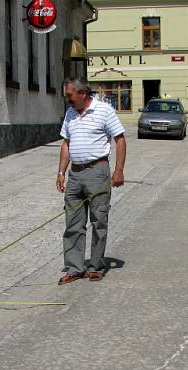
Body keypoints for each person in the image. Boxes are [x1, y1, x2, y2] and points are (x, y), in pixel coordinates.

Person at [56, 77, 127, 285]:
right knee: (73, 224)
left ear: (83, 94)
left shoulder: (104, 111)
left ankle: (95, 266)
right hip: (75, 176)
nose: (67, 98)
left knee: (99, 221)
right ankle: (75, 268)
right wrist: (61, 172)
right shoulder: (70, 113)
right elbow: (66, 144)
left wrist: (118, 171)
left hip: (98, 172)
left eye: (69, 95)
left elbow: (120, 140)